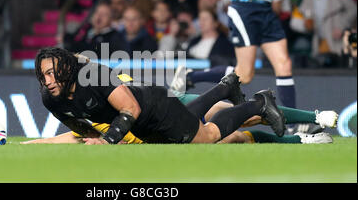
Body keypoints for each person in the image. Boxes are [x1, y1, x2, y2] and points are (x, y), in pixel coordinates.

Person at [28, 47, 287, 146]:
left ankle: (259, 103)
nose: (49, 81)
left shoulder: (96, 75)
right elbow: (78, 126)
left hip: (153, 108)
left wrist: (108, 141)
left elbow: (130, 109)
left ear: (68, 69)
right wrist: (94, 138)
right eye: (44, 76)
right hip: (141, 127)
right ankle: (224, 88)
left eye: (53, 73)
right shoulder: (51, 97)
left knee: (206, 137)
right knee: (184, 137)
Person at [21, 80, 337, 145]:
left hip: (159, 108)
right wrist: (24, 146)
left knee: (232, 121)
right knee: (234, 128)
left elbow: (126, 94)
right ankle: (305, 138)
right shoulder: (93, 123)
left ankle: (314, 119)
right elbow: (64, 139)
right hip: (161, 110)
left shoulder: (105, 112)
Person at [211, 0, 297, 109]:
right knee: (244, 74)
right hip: (244, 10)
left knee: (284, 64)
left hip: (266, 10)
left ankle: (294, 124)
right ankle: (191, 77)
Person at [289, 0, 357, 67]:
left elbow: (353, 9)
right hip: (318, 49)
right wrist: (304, 26)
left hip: (338, 47)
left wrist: (341, 25)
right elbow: (295, 21)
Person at [63, 2, 128, 59]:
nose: (99, 16)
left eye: (104, 14)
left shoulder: (115, 36)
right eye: (97, 12)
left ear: (111, 19)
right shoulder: (85, 32)